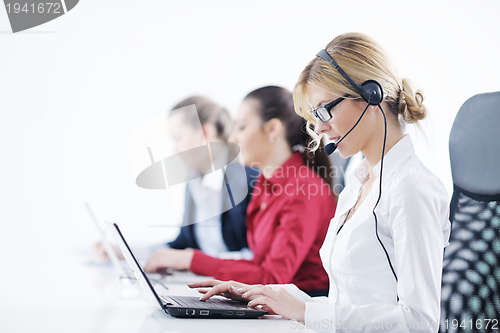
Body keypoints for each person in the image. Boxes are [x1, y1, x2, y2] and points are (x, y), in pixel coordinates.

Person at [189, 33, 451, 332]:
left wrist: (304, 311)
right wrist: (269, 294)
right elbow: (350, 302)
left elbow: (419, 321)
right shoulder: (358, 182)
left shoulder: (411, 187)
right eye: (316, 114)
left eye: (326, 108)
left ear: (371, 95)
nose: (321, 126)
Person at [144, 86, 337, 297]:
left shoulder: (305, 190)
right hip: (270, 303)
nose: (233, 139)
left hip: (302, 309)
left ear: (272, 129)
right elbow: (257, 263)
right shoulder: (264, 185)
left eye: (242, 128)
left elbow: (273, 278)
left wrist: (190, 259)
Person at [95, 96, 258, 261]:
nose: (174, 149)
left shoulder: (248, 179)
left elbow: (258, 257)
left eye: (178, 138)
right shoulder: (194, 179)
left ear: (205, 133)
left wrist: (194, 262)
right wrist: (126, 252)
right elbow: (183, 243)